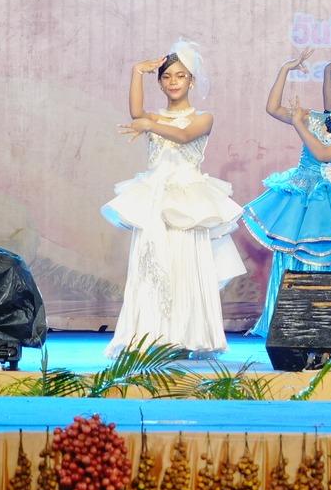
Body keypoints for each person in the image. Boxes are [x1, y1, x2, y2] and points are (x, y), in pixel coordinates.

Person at [103, 40, 245, 355]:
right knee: (152, 266)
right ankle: (151, 336)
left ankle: (187, 336)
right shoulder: (153, 117)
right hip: (155, 199)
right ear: (160, 83)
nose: (173, 82)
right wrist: (137, 72)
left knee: (186, 266)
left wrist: (149, 124)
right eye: (167, 77)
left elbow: (183, 135)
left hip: (188, 202)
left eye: (181, 76)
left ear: (191, 80)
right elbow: (136, 113)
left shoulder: (203, 117)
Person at [241, 51, 331, 337]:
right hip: (301, 196)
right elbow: (273, 108)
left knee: (326, 260)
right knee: (292, 257)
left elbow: (324, 154)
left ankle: (322, 328)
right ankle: (287, 326)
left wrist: (300, 125)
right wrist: (285, 69)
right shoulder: (316, 117)